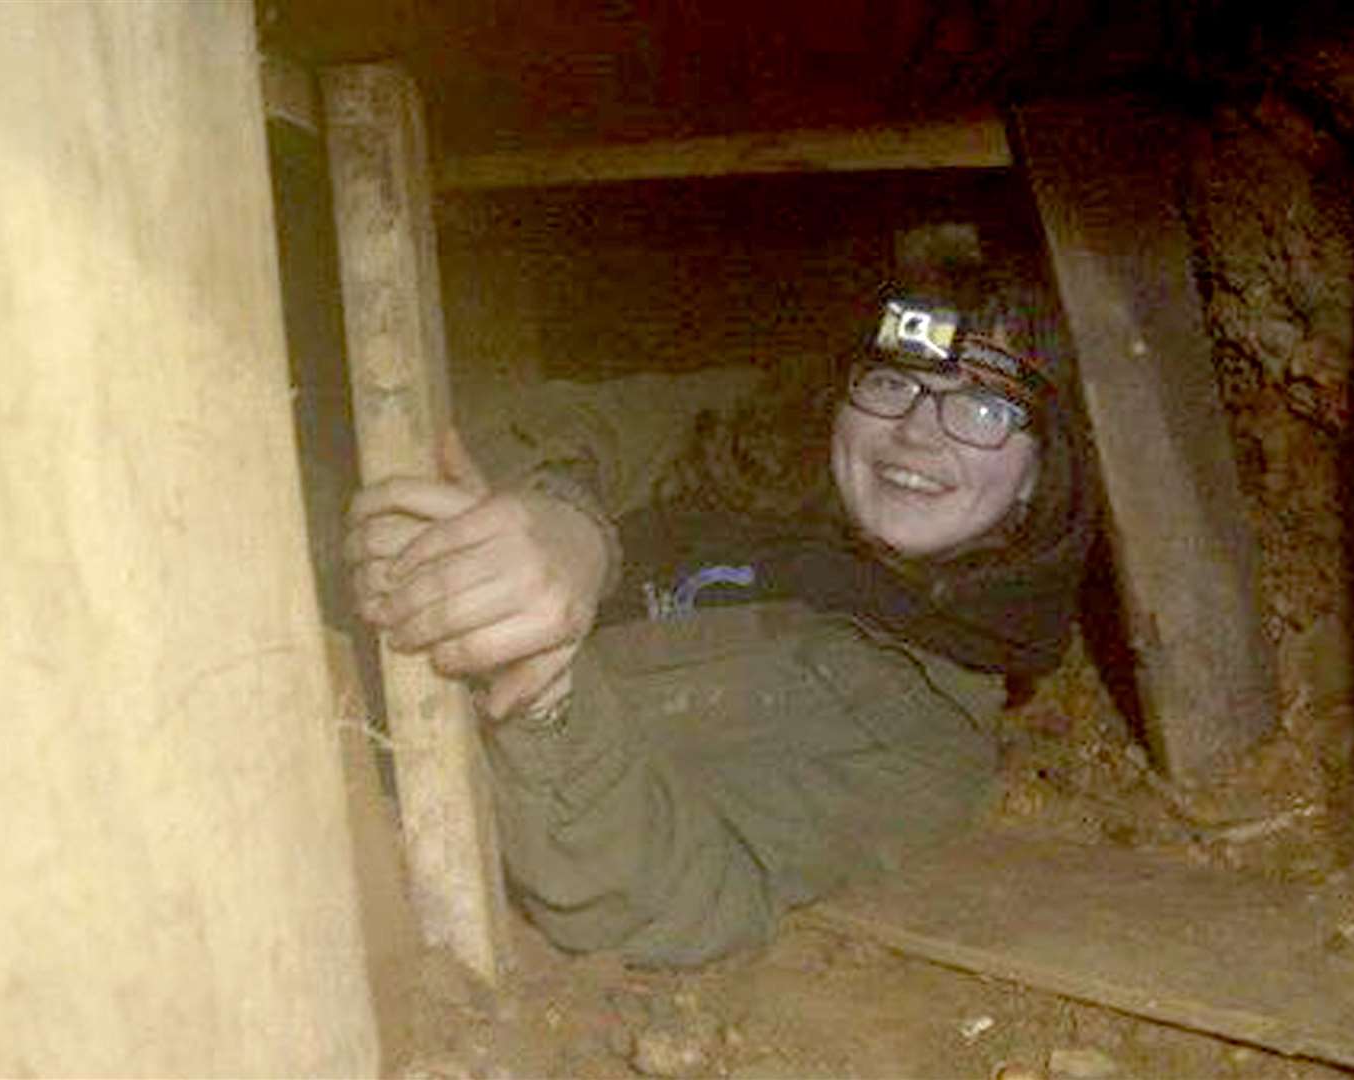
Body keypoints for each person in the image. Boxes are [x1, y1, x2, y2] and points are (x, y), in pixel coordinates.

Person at [345, 268, 1097, 966]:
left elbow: (683, 899)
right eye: (893, 381)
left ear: (1038, 475)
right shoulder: (754, 439)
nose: (917, 431)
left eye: (983, 407)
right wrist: (564, 520)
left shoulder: (925, 739)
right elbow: (555, 420)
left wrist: (542, 689)